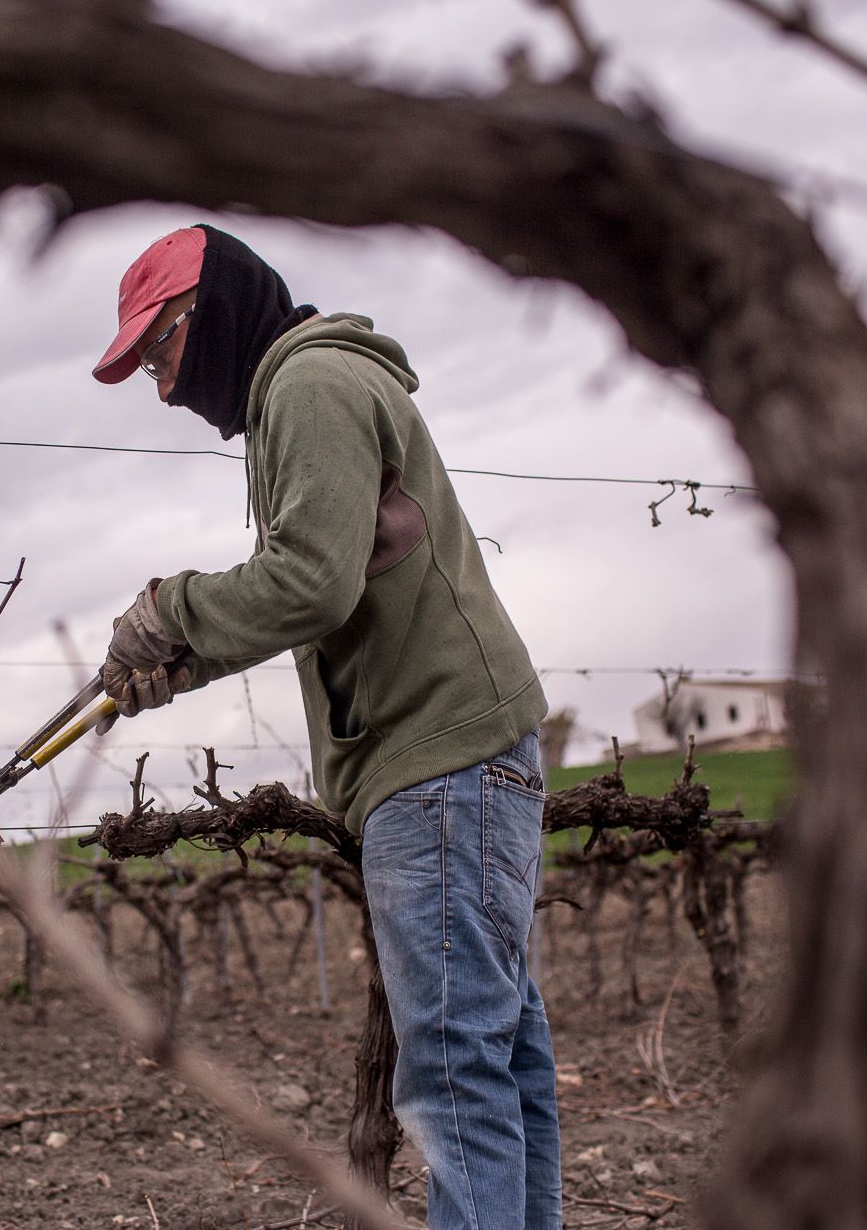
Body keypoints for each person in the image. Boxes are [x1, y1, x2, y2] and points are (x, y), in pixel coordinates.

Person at [90, 226, 560, 1229]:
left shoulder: (307, 389)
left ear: (207, 318)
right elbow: (323, 590)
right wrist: (179, 664)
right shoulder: (306, 394)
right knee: (502, 1059)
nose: (166, 390)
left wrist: (172, 610)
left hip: (435, 759)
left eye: (161, 354)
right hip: (465, 756)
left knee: (453, 1078)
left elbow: (309, 579)